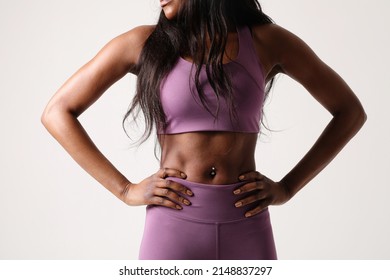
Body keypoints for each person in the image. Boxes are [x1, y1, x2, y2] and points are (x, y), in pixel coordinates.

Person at [41, 0, 366, 260]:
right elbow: (57, 112)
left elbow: (349, 112)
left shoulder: (267, 41)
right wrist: (125, 190)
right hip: (173, 226)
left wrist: (288, 188)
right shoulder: (143, 43)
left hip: (247, 224)